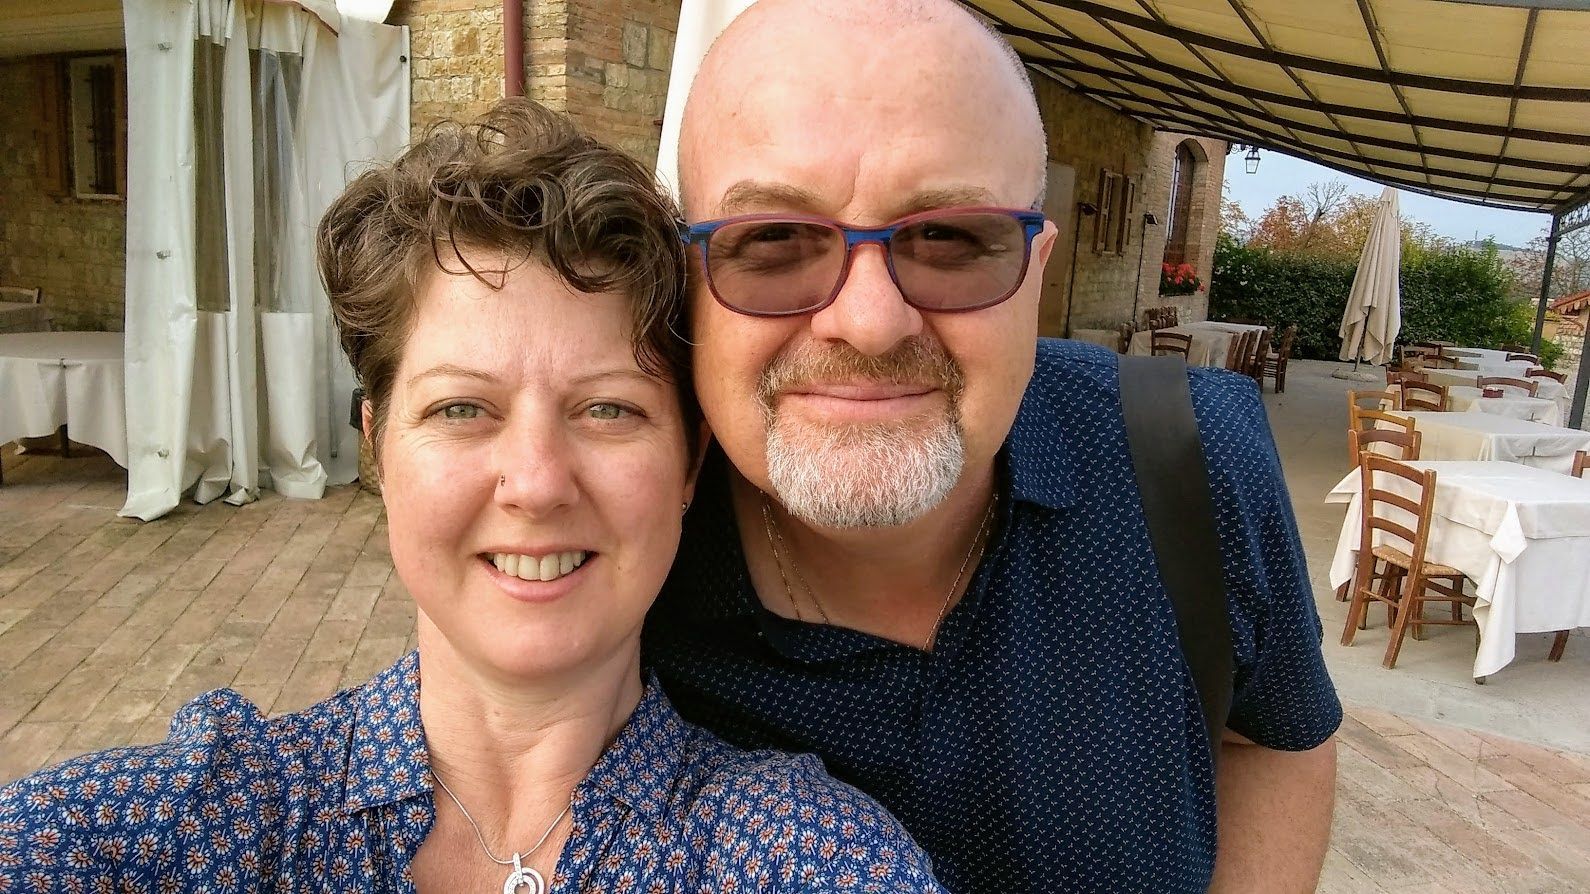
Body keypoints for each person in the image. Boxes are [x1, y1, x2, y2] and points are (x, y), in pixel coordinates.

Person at [0, 100, 946, 894]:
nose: (535, 482)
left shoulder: (799, 857)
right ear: (376, 451)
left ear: (691, 464)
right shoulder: (218, 824)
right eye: (461, 408)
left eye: (609, 409)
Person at [642, 2, 1342, 892]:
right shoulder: (614, 539)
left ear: (1037, 274)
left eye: (948, 238)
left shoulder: (1194, 459)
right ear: (689, 279)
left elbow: (1275, 740)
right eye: (773, 240)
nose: (866, 322)